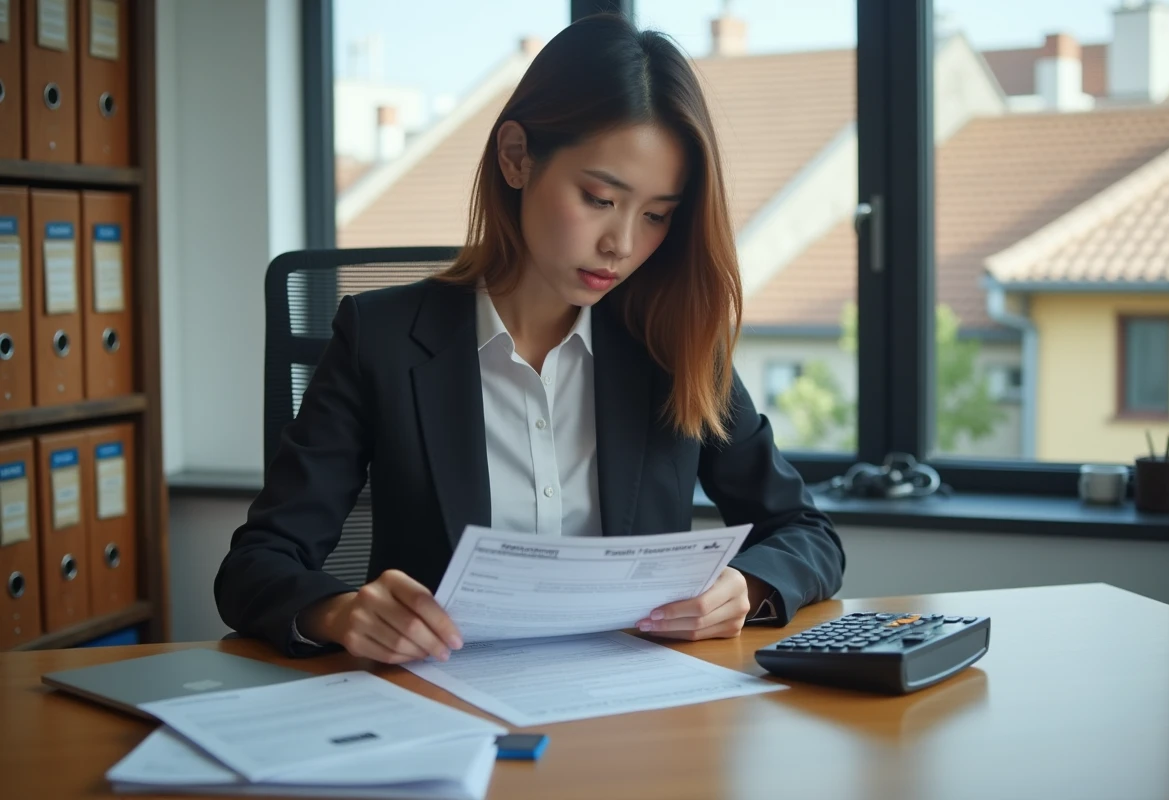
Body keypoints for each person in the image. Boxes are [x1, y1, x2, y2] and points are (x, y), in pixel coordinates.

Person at [214, 13, 845, 663]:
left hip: (636, 711)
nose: (622, 244)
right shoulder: (380, 341)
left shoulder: (672, 342)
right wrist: (338, 610)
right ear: (516, 157)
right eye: (600, 197)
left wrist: (747, 585)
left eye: (656, 215)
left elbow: (806, 533)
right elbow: (257, 564)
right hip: (447, 706)